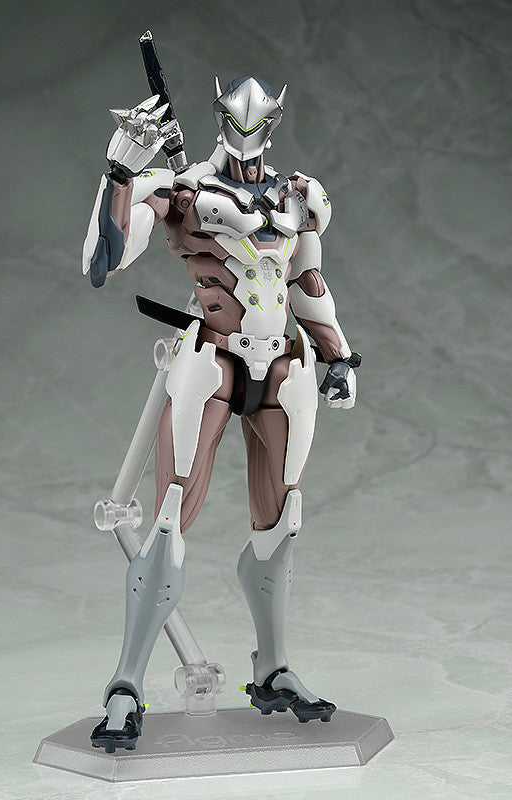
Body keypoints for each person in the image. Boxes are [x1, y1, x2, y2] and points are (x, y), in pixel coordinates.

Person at [83, 75, 358, 752]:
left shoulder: (298, 195)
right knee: (172, 512)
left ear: (276, 121)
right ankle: (126, 684)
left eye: (261, 120)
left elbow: (308, 282)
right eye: (238, 118)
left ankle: (274, 668)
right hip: (212, 358)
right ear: (219, 118)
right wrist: (120, 170)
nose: (249, 129)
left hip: (283, 363)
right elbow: (103, 257)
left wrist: (338, 355)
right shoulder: (184, 190)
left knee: (282, 516)